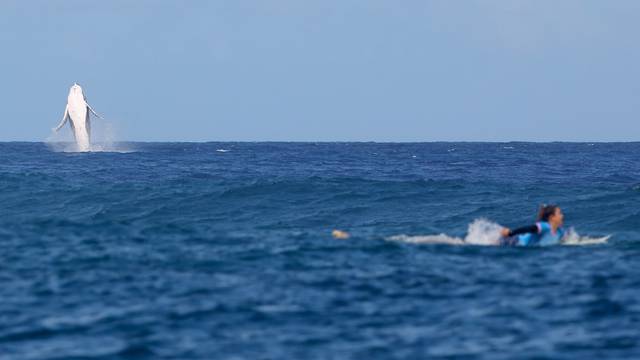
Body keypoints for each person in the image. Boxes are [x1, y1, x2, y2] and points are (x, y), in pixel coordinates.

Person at [500, 204, 566, 246]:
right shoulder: (546, 227)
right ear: (552, 217)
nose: (562, 216)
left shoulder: (560, 231)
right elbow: (530, 228)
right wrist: (510, 233)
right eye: (559, 213)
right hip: (515, 241)